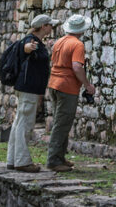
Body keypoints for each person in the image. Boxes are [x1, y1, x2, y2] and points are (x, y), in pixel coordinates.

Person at [6, 14, 58, 172]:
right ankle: (22, 161)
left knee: (19, 122)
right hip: (28, 87)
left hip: (26, 86)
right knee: (25, 124)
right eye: (51, 25)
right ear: (44, 26)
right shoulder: (30, 41)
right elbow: (26, 48)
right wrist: (29, 48)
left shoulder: (32, 40)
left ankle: (13, 159)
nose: (52, 28)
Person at [46, 14, 95, 172]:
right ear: (81, 29)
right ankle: (53, 160)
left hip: (54, 83)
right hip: (67, 87)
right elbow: (76, 67)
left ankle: (60, 157)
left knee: (61, 122)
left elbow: (56, 62)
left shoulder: (59, 42)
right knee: (62, 124)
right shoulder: (78, 45)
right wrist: (87, 85)